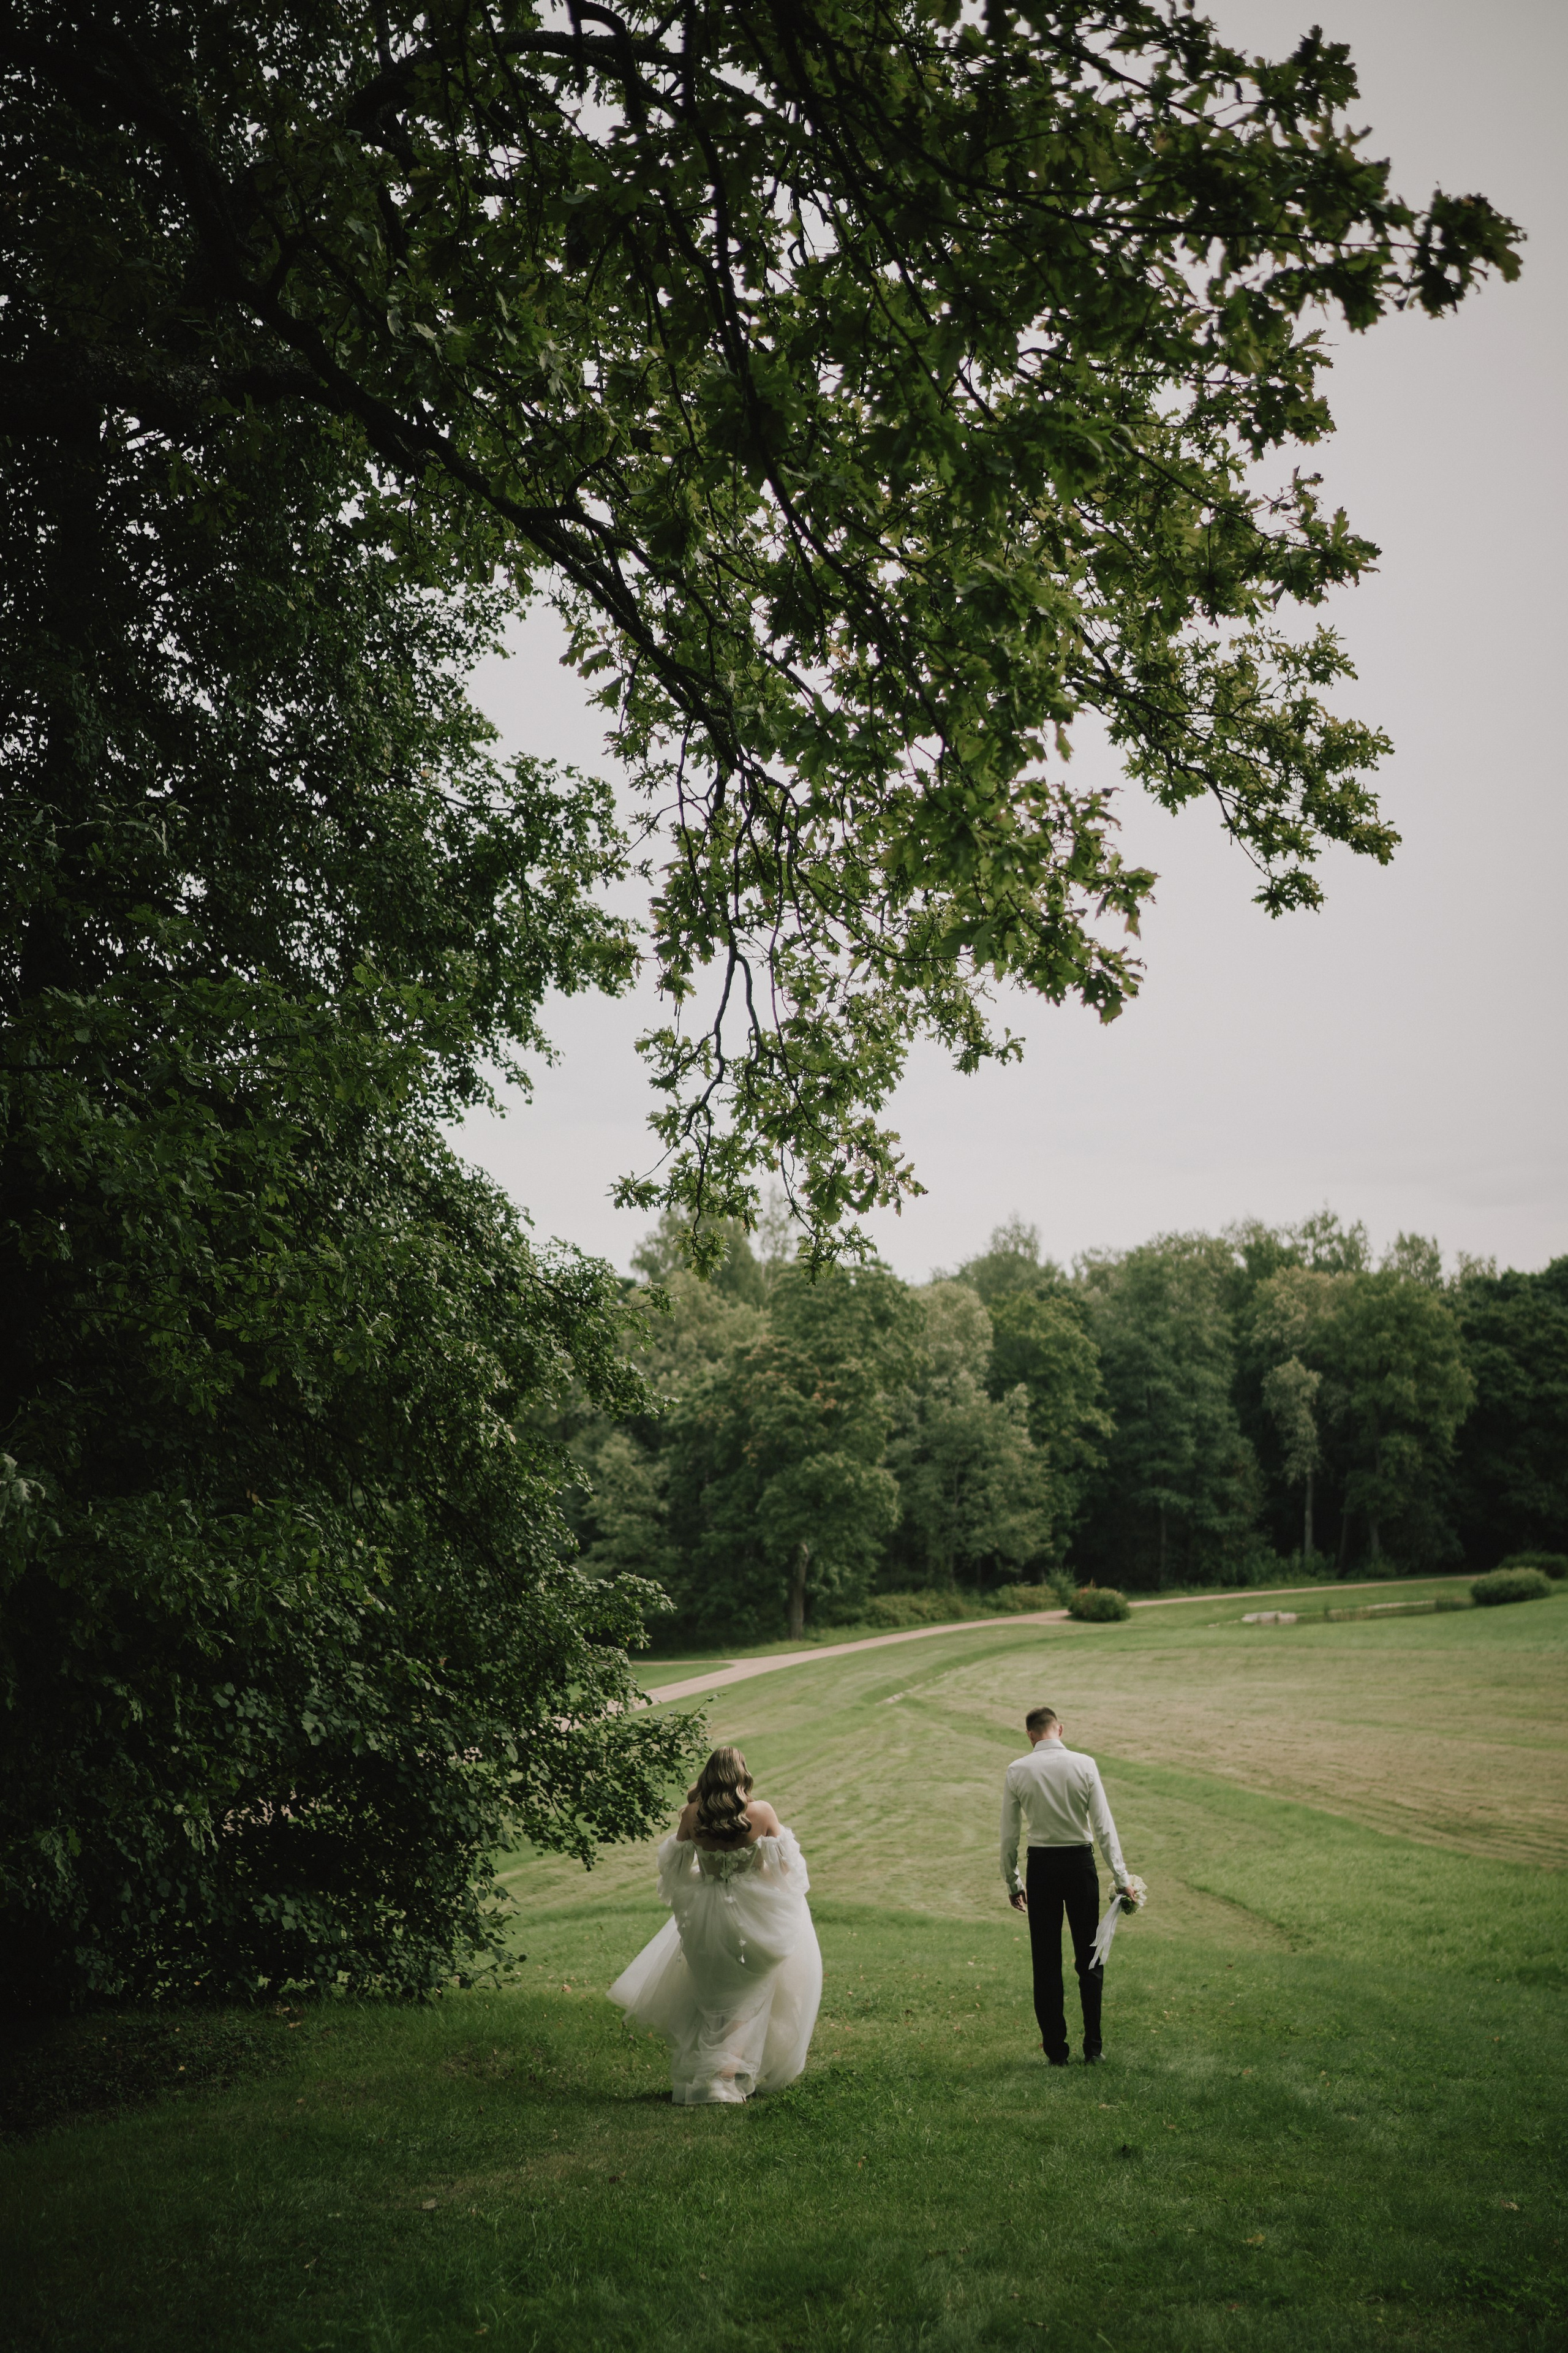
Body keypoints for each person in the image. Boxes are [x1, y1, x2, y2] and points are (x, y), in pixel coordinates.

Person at [608, 1745, 822, 2105]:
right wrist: (754, 1873)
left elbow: (674, 1870)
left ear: (708, 1775)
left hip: (705, 1913)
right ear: (742, 1775)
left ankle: (714, 2071)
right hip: (754, 1913)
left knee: (713, 1992)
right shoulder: (761, 1812)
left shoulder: (693, 1814)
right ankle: (722, 2078)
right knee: (746, 1992)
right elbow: (787, 1871)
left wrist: (705, 1873)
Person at [1000, 1705, 1133, 2066]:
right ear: (1060, 1729)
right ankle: (1093, 2048)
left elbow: (1009, 1834)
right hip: (1080, 1864)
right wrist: (1122, 1879)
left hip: (1041, 1868)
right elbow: (1104, 1827)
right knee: (1090, 1957)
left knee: (1045, 1962)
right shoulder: (1085, 1764)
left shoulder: (1017, 1770)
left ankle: (1057, 2052)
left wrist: (1013, 1880)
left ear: (1030, 1734)